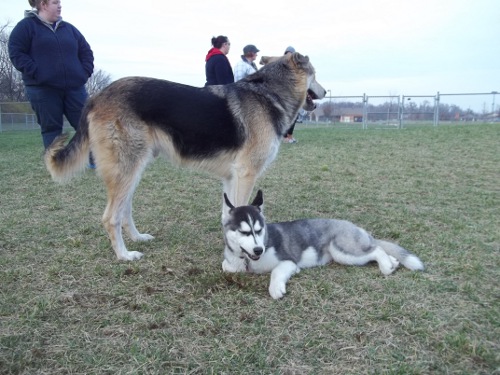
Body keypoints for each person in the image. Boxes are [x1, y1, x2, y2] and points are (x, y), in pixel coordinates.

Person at [9, 0, 95, 165]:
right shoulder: (25, 27)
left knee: (87, 124)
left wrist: (83, 73)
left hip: (74, 88)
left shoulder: (69, 29)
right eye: (55, 2)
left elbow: (86, 51)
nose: (60, 5)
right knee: (51, 129)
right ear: (43, 4)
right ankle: (56, 164)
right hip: (43, 89)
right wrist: (38, 73)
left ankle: (94, 160)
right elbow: (16, 52)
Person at [283, 46, 298, 143]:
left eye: (291, 53)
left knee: (294, 116)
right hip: (284, 94)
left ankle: (290, 136)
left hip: (292, 94)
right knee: (285, 116)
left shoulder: (295, 66)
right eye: (287, 53)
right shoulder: (282, 64)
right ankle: (285, 138)